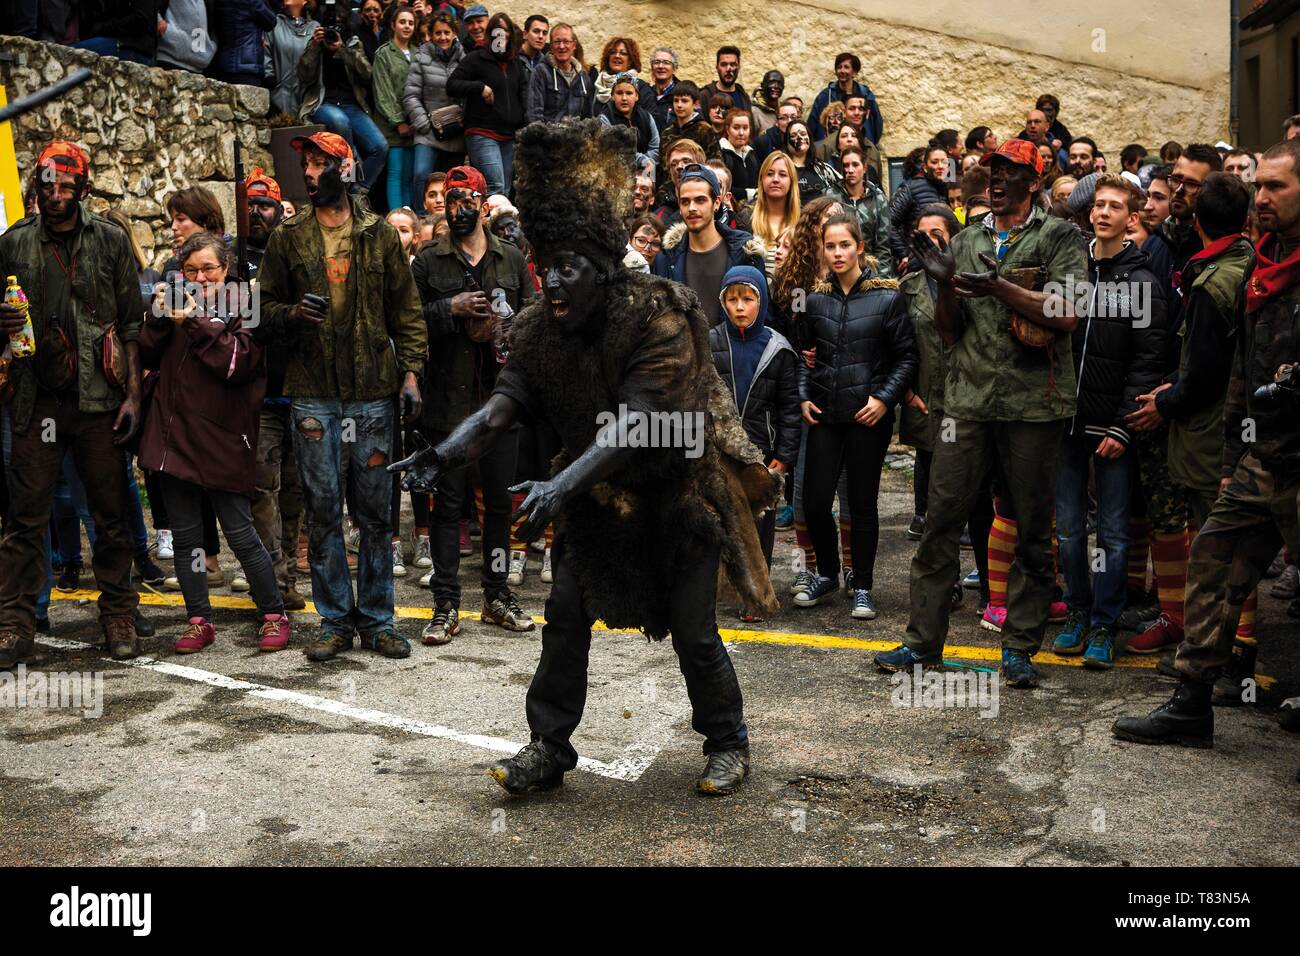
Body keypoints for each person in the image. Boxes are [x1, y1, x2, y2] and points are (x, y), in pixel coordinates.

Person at [390, 118, 780, 796]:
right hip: (597, 505)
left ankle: (728, 741)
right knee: (564, 618)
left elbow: (638, 423)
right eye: (546, 268)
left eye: (568, 268)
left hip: (674, 500)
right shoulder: (541, 327)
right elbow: (500, 408)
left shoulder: (658, 313)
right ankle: (548, 747)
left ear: (602, 269)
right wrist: (444, 455)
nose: (554, 282)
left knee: (693, 632)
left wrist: (560, 484)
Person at [876, 139, 1086, 688]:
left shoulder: (1060, 236)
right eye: (992, 171)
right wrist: (944, 282)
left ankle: (1018, 648)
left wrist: (999, 286)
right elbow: (949, 330)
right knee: (941, 520)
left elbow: (1067, 312)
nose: (996, 180)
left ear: (1034, 183)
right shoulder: (966, 240)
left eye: (1011, 173)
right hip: (966, 402)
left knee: (1033, 530)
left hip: (1032, 405)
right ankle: (923, 643)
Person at [1112, 139, 1300, 748]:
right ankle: (1191, 704)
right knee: (1214, 558)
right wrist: (1230, 459)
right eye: (1260, 187)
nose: (1261, 198)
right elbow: (1241, 374)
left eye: (1276, 188)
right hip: (1264, 456)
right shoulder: (1262, 263)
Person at [253, 131, 426, 662]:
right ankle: (334, 621)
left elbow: (407, 310)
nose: (307, 173)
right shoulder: (289, 237)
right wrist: (289, 315)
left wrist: (412, 372)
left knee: (376, 511)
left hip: (373, 392)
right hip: (313, 393)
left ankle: (377, 619)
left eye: (319, 164)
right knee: (324, 509)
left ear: (346, 170)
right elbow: (261, 310)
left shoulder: (378, 235)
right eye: (305, 164)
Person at [0, 141, 144, 668]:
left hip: (99, 401)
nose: (55, 195)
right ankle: (13, 624)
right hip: (36, 400)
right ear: (36, 184)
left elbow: (132, 326)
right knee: (24, 516)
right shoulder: (12, 243)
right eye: (47, 184)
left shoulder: (108, 241)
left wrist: (133, 396)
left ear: (83, 189)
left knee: (110, 515)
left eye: (66, 186)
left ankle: (118, 613)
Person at [1124, 173, 1257, 673]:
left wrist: (1165, 402)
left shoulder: (1210, 283)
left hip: (1207, 432)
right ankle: (1224, 646)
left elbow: (1203, 376)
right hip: (1225, 423)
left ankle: (1220, 655)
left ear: (1198, 221)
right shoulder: (1244, 261)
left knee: (1214, 542)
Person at [139, 232, 291, 653]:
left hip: (225, 436)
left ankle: (273, 612)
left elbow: (237, 364)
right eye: (191, 270)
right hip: (176, 435)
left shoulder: (248, 303)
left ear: (226, 269)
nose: (201, 278)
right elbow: (148, 354)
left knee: (241, 533)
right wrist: (156, 317)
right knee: (188, 539)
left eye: (209, 269)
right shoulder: (174, 301)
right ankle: (198, 619)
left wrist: (194, 321)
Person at [411, 165, 537, 643]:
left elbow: (533, 319)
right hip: (449, 403)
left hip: (501, 403)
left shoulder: (511, 258)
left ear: (484, 206)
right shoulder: (429, 261)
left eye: (466, 200)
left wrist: (508, 328)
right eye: (450, 199)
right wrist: (450, 310)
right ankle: (445, 603)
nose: (457, 208)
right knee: (448, 504)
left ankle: (497, 594)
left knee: (500, 505)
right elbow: (408, 320)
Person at [1049, 175, 1168, 669]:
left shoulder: (1141, 282)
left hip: (1112, 430)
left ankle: (1104, 622)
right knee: (1071, 530)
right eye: (1098, 205)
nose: (1102, 213)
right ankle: (1077, 612)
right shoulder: (1071, 273)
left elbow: (1149, 361)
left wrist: (1123, 426)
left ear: (1131, 219)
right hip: (1065, 425)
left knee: (1115, 534)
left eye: (1114, 207)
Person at [795, 214, 918, 620]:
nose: (837, 253)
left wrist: (884, 399)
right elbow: (804, 356)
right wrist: (802, 396)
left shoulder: (888, 297)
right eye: (830, 246)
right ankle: (829, 573)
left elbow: (906, 358)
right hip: (826, 415)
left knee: (862, 503)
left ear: (860, 247)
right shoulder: (814, 300)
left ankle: (862, 584)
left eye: (844, 245)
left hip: (869, 416)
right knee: (814, 502)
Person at [708, 265, 800, 583]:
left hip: (763, 450)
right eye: (732, 300)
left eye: (748, 299)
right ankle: (721, 584)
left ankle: (757, 589)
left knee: (759, 518)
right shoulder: (710, 343)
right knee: (719, 515)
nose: (740, 307)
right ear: (723, 303)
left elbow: (790, 408)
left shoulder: (778, 349)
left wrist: (785, 455)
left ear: (761, 303)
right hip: (719, 449)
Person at [242, 169, 307, 610]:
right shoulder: (231, 258)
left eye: (264, 205)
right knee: (262, 488)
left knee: (296, 489)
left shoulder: (293, 252)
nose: (256, 214)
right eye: (248, 205)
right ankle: (273, 577)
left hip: (301, 388)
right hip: (258, 393)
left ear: (279, 209)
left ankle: (289, 571)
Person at [653, 165, 765, 326]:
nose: (692, 208)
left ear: (717, 202)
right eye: (685, 201)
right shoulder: (665, 259)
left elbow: (763, 318)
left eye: (700, 200)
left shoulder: (747, 254)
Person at [297, 16, 389, 194]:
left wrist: (343, 49)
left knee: (380, 146)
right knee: (340, 122)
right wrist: (315, 47)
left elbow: (367, 74)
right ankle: (349, 181)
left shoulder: (353, 43)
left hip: (351, 105)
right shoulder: (315, 44)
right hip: (323, 104)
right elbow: (304, 76)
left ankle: (357, 190)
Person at [447, 12, 530, 196]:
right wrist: (480, 87)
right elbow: (451, 85)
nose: (501, 35)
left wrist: (524, 124)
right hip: (482, 133)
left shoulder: (515, 62)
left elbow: (523, 95)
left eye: (505, 30)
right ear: (490, 33)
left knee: (506, 190)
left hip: (509, 136)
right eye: (497, 30)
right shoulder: (476, 58)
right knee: (495, 186)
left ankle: (494, 224)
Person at [405, 9, 466, 204]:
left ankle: (447, 222)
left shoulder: (464, 60)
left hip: (456, 131)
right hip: (428, 132)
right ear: (431, 35)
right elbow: (411, 96)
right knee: (421, 175)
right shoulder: (421, 59)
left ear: (454, 34)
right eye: (438, 33)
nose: (443, 37)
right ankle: (421, 218)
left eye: (447, 32)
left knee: (452, 182)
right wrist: (425, 124)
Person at [830, 145, 893, 276]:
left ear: (864, 168)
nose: (850, 170)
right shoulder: (830, 196)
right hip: (837, 270)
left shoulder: (878, 198)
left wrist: (881, 280)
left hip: (869, 270)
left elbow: (883, 245)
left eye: (855, 165)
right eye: (846, 166)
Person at [741, 150, 801, 275]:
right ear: (762, 180)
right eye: (769, 174)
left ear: (792, 181)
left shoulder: (803, 221)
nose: (775, 179)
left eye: (783, 174)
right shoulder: (746, 217)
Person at [888, 143, 949, 262]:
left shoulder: (948, 188)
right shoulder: (911, 188)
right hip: (918, 262)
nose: (940, 166)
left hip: (943, 260)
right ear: (925, 167)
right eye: (935, 162)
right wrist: (904, 255)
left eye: (944, 161)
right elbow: (887, 222)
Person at [807, 52, 883, 144]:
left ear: (854, 72)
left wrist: (870, 143)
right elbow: (812, 124)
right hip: (830, 148)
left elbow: (877, 123)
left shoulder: (866, 95)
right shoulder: (825, 96)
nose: (842, 70)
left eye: (846, 67)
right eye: (839, 67)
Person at [526, 22, 593, 123]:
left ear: (574, 45)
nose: (561, 46)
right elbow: (534, 116)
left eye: (566, 41)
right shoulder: (541, 72)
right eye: (557, 42)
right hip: (549, 137)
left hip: (576, 138)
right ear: (551, 46)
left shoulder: (583, 77)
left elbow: (588, 118)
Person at [597, 73, 659, 180]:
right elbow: (613, 151)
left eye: (629, 93)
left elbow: (655, 148)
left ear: (637, 96)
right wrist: (642, 160)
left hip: (646, 170)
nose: (624, 98)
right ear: (612, 96)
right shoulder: (605, 119)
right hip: (616, 175)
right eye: (619, 93)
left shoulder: (647, 117)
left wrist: (646, 166)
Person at [267, 0, 319, 117]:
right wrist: (270, 80)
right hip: (278, 96)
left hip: (305, 98)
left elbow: (316, 66)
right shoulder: (273, 23)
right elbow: (266, 54)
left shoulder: (314, 27)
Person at [659, 80, 720, 166]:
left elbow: (715, 164)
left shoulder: (705, 130)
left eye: (684, 101)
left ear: (696, 104)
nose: (679, 105)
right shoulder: (666, 133)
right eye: (676, 100)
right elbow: (663, 167)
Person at [784, 120, 836, 204]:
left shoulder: (823, 168)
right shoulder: (781, 168)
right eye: (793, 135)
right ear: (787, 143)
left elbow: (842, 189)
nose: (799, 137)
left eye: (803, 134)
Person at [590, 37, 651, 108]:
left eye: (623, 53)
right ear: (608, 58)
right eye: (613, 52)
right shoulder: (597, 85)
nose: (617, 56)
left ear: (630, 61)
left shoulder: (641, 88)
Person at [719, 108, 759, 197]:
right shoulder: (720, 154)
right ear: (727, 129)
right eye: (736, 128)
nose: (741, 133)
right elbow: (720, 188)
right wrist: (749, 193)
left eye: (745, 128)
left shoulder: (751, 154)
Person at [641, 47, 681, 131]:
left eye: (666, 63)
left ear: (674, 69)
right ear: (652, 67)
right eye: (656, 62)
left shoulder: (681, 95)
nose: (660, 66)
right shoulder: (646, 95)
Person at [702, 45, 751, 113]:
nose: (728, 69)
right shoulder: (705, 96)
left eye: (733, 64)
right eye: (724, 64)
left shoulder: (744, 97)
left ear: (739, 67)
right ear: (717, 67)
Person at [750, 70, 784, 135]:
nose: (776, 86)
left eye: (779, 83)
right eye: (771, 82)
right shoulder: (754, 112)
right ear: (762, 85)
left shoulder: (783, 110)